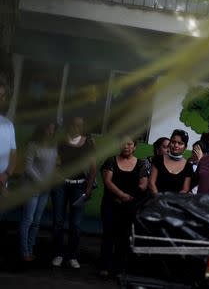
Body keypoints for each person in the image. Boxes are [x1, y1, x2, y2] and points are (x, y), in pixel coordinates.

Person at [100, 136, 149, 277]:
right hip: (110, 204)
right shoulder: (111, 161)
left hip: (130, 206)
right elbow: (107, 182)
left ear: (134, 147)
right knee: (108, 235)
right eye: (123, 143)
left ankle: (119, 268)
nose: (126, 146)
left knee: (124, 237)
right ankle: (105, 266)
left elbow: (143, 184)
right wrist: (121, 195)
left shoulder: (141, 164)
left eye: (129, 144)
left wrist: (129, 197)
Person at [51, 116, 96, 269]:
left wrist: (89, 188)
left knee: (75, 224)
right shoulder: (61, 141)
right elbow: (56, 161)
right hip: (61, 186)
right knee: (58, 222)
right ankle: (58, 254)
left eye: (79, 125)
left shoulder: (88, 142)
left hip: (79, 187)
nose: (76, 128)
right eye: (74, 125)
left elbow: (93, 167)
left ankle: (72, 256)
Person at [19, 122, 57, 262]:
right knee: (27, 220)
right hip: (31, 187)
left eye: (53, 129)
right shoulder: (33, 145)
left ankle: (30, 249)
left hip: (44, 189)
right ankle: (24, 252)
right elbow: (28, 168)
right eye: (48, 128)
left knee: (36, 221)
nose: (50, 131)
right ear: (42, 129)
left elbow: (52, 167)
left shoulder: (53, 147)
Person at [148, 129, 193, 194]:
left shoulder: (188, 166)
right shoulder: (158, 159)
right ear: (170, 143)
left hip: (175, 202)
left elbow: (185, 189)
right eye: (173, 142)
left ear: (185, 147)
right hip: (155, 200)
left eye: (180, 143)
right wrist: (159, 199)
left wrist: (172, 200)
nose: (176, 145)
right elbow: (151, 182)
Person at [0, 81, 16, 201]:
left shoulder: (8, 124)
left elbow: (13, 154)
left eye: (3, 96)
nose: (1, 99)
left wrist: (6, 175)